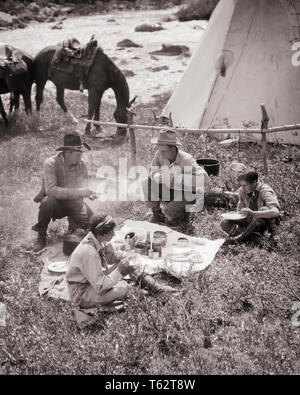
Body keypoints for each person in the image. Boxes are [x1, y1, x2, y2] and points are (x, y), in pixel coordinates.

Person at [66, 213, 177, 310]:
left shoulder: (98, 239)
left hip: (92, 283)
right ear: (102, 233)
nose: (114, 235)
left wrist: (126, 257)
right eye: (111, 233)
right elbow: (100, 286)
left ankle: (158, 288)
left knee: (129, 266)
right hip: (81, 293)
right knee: (124, 289)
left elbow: (111, 257)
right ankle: (154, 298)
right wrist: (119, 270)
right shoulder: (89, 252)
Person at [32, 132, 96, 252]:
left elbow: (82, 189)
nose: (80, 158)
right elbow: (51, 190)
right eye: (78, 155)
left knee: (95, 226)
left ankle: (73, 226)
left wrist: (90, 193)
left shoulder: (82, 165)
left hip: (74, 204)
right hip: (56, 205)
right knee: (47, 201)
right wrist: (81, 192)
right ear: (67, 153)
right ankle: (41, 236)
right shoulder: (51, 163)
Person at [141, 128, 209, 226]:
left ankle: (182, 216)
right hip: (169, 190)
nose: (161, 153)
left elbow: (204, 179)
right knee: (145, 182)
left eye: (164, 151)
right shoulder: (159, 154)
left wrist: (179, 178)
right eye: (160, 150)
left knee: (170, 212)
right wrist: (156, 175)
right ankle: (157, 214)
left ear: (172, 149)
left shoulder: (186, 160)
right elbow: (152, 170)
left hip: (185, 193)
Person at [221, 170, 280, 244]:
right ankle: (251, 237)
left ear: (255, 182)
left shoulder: (265, 190)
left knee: (263, 209)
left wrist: (253, 213)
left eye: (245, 185)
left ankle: (239, 239)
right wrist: (238, 213)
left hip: (264, 225)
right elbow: (239, 209)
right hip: (250, 223)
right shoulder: (243, 191)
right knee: (224, 222)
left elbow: (276, 212)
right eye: (241, 185)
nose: (242, 188)